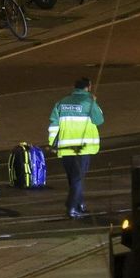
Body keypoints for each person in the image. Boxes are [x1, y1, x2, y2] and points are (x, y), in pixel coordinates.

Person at [48, 77, 104, 218]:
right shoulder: (88, 102)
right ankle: (72, 207)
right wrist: (95, 102)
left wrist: (52, 144)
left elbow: (53, 125)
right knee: (78, 179)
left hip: (65, 147)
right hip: (82, 148)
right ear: (88, 87)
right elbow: (99, 120)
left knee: (73, 179)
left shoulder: (61, 103)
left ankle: (80, 204)